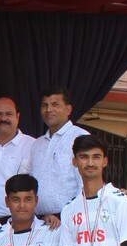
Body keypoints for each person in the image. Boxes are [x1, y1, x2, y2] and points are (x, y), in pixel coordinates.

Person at [31, 86, 89, 219]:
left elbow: (85, 183)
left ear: (68, 109)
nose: (48, 109)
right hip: (40, 220)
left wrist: (70, 217)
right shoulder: (37, 144)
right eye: (44, 105)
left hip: (70, 219)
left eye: (55, 104)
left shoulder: (80, 137)